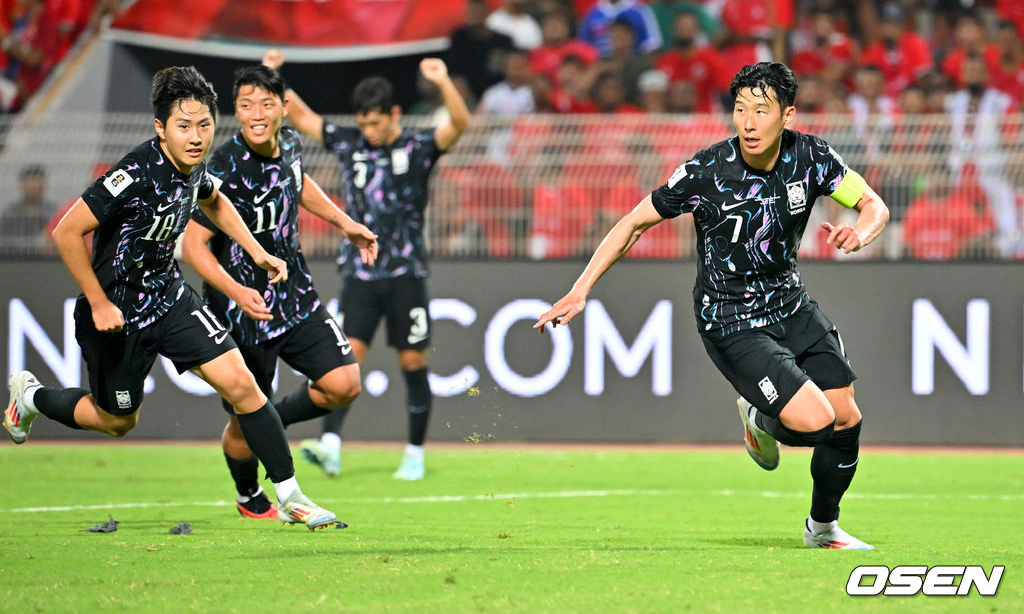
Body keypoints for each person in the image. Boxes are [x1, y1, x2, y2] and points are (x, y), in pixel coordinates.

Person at [535, 62, 889, 550]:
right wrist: (581, 288)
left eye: (760, 111)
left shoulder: (812, 158)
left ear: (787, 116)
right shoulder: (707, 171)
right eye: (740, 109)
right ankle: (759, 418)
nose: (747, 122)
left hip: (790, 304)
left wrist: (861, 232)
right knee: (815, 423)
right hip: (730, 318)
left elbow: (874, 206)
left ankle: (822, 528)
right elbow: (633, 223)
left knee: (847, 416)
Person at [3, 66, 340, 530]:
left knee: (243, 385)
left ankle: (290, 495)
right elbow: (66, 232)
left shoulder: (195, 164)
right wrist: (99, 303)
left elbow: (215, 199)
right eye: (184, 126)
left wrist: (257, 252)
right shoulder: (134, 173)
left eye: (204, 125)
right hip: (118, 314)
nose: (197, 136)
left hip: (170, 299)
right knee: (117, 420)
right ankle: (34, 398)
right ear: (160, 128)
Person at [181, 64, 378, 520]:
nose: (256, 113)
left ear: (283, 108)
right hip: (242, 312)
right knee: (242, 418)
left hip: (294, 295)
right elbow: (193, 245)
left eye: (266, 104)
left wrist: (345, 224)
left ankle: (274, 419)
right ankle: (249, 493)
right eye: (246, 105)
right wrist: (234, 290)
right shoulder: (223, 167)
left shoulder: (290, 143)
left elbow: (297, 184)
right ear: (235, 110)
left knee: (343, 384)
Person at [263, 51, 471, 480]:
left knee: (412, 362)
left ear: (395, 114)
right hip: (359, 275)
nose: (370, 131)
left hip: (405, 274)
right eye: (364, 123)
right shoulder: (349, 141)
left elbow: (461, 123)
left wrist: (443, 80)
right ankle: (331, 445)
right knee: (345, 364)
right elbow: (299, 114)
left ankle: (414, 452)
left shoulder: (418, 146)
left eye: (376, 122)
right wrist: (272, 76)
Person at [0, 164, 57, 255]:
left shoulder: (53, 212)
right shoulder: (10, 213)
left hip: (45, 261)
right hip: (14, 260)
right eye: (32, 181)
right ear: (22, 185)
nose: (36, 185)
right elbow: (4, 240)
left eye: (40, 181)